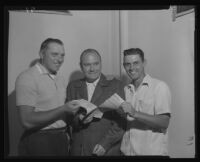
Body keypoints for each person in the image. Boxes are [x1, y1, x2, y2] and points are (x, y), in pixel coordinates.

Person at [15, 38, 81, 156]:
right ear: (41, 54)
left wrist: (77, 114)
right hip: (39, 140)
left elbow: (62, 112)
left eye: (62, 55)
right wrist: (64, 109)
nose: (60, 59)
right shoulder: (27, 77)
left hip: (61, 138)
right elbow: (26, 121)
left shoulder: (61, 78)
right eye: (54, 54)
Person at [66, 49, 126, 156]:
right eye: (87, 65)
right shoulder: (73, 86)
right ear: (81, 66)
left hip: (106, 150)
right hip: (79, 150)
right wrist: (79, 119)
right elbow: (69, 118)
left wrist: (105, 144)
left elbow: (121, 121)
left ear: (101, 63)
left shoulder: (115, 85)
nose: (92, 69)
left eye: (96, 64)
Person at [120, 48, 171, 156]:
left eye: (136, 63)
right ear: (124, 66)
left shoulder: (159, 87)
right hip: (127, 153)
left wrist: (135, 113)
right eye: (127, 64)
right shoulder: (125, 90)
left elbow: (164, 122)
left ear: (144, 63)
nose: (131, 68)